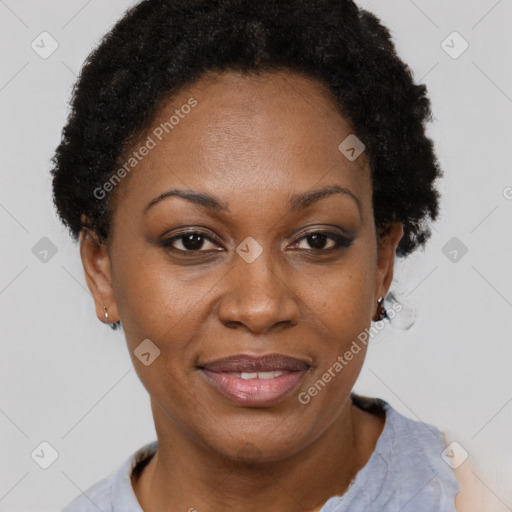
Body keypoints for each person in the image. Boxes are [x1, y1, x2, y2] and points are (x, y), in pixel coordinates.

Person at [51, 0, 471, 510]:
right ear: (102, 271)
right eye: (192, 241)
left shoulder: (482, 494)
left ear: (382, 264)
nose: (259, 307)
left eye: (317, 240)